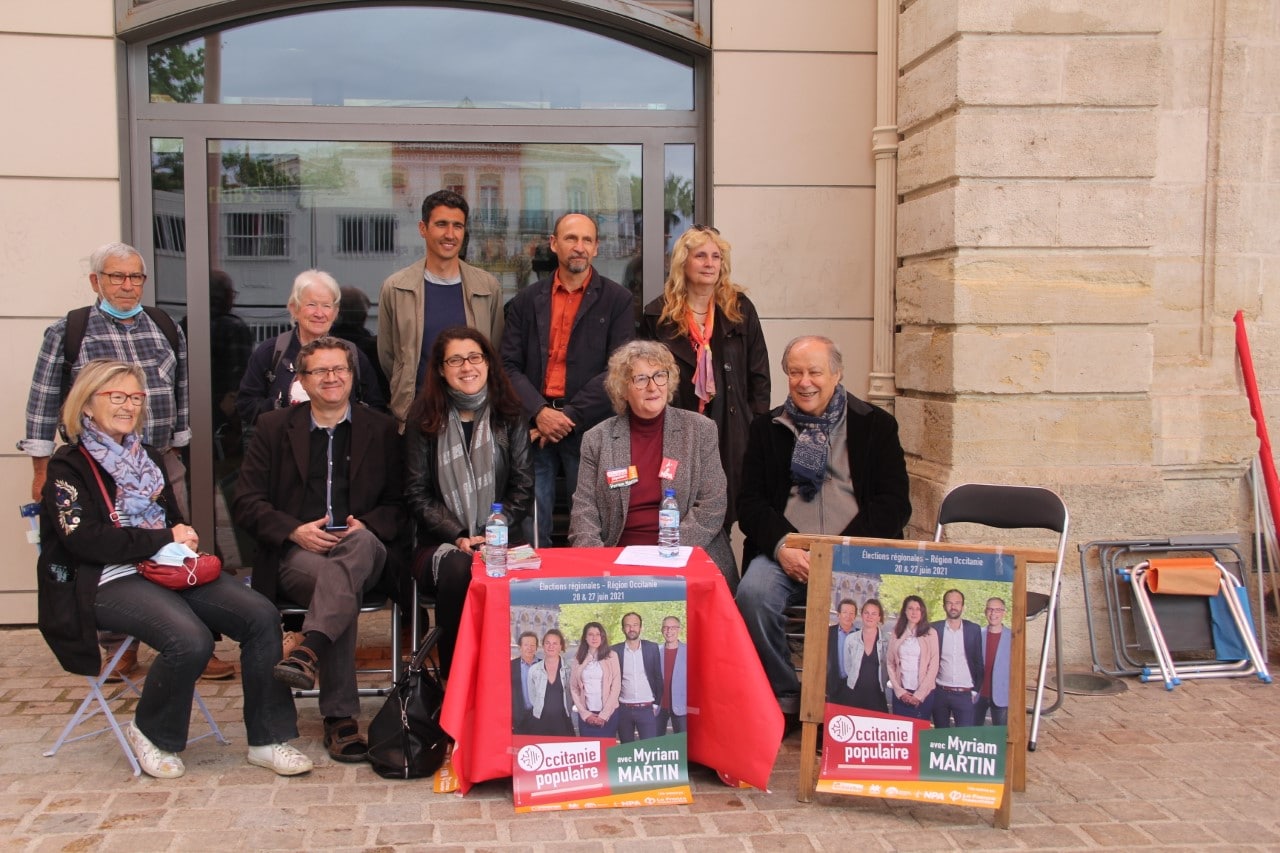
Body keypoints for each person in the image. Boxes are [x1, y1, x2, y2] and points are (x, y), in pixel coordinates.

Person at [35, 360, 311, 779]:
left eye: (135, 397)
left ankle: (268, 739)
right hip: (106, 579)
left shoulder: (147, 456)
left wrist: (183, 537)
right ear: (87, 405)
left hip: (164, 569)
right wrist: (164, 537)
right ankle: (153, 733)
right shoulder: (67, 466)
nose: (128, 406)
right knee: (189, 638)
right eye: (116, 396)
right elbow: (84, 540)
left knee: (260, 616)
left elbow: (171, 521)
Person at [21, 241, 233, 683]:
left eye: (136, 276)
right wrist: (42, 467)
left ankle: (198, 642)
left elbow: (182, 387)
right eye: (117, 276)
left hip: (154, 461)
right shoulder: (70, 331)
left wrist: (177, 445)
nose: (128, 285)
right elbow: (42, 399)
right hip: (99, 469)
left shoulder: (163, 326)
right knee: (114, 551)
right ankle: (121, 647)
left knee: (175, 546)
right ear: (96, 281)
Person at [232, 337, 405, 764]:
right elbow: (246, 502)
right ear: (303, 381)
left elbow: (402, 504)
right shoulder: (274, 428)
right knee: (335, 586)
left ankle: (308, 652)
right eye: (320, 371)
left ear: (352, 376)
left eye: (340, 370)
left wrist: (368, 524)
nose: (332, 378)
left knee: (358, 546)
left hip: (367, 554)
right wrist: (293, 531)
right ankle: (340, 719)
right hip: (299, 557)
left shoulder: (381, 429)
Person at [735, 335, 911, 714]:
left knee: (869, 610)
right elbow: (749, 503)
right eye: (795, 373)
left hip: (858, 554)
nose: (804, 382)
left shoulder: (875, 426)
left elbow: (895, 505)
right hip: (788, 553)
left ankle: (842, 704)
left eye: (815, 372)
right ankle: (786, 696)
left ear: (837, 373)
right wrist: (783, 545)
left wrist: (842, 553)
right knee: (752, 595)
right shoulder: (767, 427)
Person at [404, 326, 532, 677]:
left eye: (475, 357)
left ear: (488, 363)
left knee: (515, 576)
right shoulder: (423, 419)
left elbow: (522, 487)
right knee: (460, 569)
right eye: (455, 360)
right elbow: (417, 493)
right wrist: (458, 534)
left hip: (503, 539)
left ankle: (504, 680)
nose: (467, 367)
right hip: (441, 544)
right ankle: (456, 680)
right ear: (441, 370)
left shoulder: (511, 415)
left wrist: (494, 531)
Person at [501, 213, 636, 546]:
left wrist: (569, 416)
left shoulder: (618, 301)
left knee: (590, 524)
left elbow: (618, 369)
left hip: (590, 427)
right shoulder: (526, 301)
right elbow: (507, 365)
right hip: (534, 427)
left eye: (587, 240)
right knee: (532, 526)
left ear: (596, 247)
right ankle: (537, 594)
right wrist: (539, 412)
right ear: (553, 244)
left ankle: (586, 591)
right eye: (571, 239)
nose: (579, 247)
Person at [640, 225, 770, 544]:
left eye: (717, 256)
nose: (710, 263)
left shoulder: (739, 309)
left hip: (729, 429)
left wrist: (754, 425)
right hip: (677, 428)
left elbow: (759, 374)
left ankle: (716, 572)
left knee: (720, 509)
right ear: (684, 262)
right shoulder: (657, 314)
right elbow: (644, 377)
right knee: (674, 504)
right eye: (701, 256)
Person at [567, 340, 735, 584]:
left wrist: (665, 554)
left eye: (659, 376)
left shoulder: (699, 430)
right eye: (641, 379)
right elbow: (584, 511)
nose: (653, 387)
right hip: (618, 557)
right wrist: (599, 564)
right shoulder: (598, 439)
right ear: (623, 389)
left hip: (686, 555)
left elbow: (712, 506)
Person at [379, 190, 505, 427]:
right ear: (423, 229)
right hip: (417, 415)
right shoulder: (396, 288)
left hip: (474, 417)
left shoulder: (487, 287)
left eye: (457, 226)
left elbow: (493, 350)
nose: (450, 234)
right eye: (441, 224)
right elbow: (389, 357)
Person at [236, 270, 386, 429]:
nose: (319, 313)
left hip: (339, 448)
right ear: (294, 308)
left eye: (327, 306)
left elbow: (376, 408)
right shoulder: (271, 351)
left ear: (335, 313)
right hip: (284, 447)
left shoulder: (352, 354)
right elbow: (246, 405)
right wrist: (285, 406)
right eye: (311, 305)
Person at [931, 588, 984, 729]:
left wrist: (975, 690)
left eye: (957, 603)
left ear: (963, 606)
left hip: (965, 694)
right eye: (949, 603)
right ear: (944, 606)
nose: (953, 607)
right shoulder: (934, 629)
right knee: (940, 737)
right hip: (940, 692)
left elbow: (979, 662)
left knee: (964, 739)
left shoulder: (974, 629)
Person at [610, 612, 664, 743]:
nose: (631, 628)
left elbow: (658, 677)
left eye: (635, 625)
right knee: (627, 750)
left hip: (647, 709)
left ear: (641, 627)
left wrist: (656, 704)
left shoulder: (652, 648)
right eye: (627, 625)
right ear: (623, 628)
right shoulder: (615, 651)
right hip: (623, 710)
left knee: (648, 749)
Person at [886, 596, 939, 720]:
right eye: (910, 608)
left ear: (922, 612)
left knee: (919, 735)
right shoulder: (897, 632)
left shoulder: (931, 633)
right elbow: (890, 663)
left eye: (918, 609)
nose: (914, 612)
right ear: (905, 611)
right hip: (901, 693)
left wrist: (919, 695)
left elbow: (934, 665)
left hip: (923, 695)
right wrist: (900, 691)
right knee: (900, 735)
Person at [569, 621, 620, 738]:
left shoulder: (612, 656)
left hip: (609, 714)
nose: (594, 638)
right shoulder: (578, 658)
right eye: (590, 634)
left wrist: (604, 715)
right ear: (585, 638)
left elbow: (616, 687)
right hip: (587, 715)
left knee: (607, 753)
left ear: (602, 637)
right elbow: (573, 688)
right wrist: (585, 714)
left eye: (598, 634)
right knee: (589, 752)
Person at [843, 598, 892, 714]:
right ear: (862, 615)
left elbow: (890, 667)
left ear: (879, 617)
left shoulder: (887, 640)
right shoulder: (851, 639)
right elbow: (847, 667)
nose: (870, 616)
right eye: (866, 613)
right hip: (854, 693)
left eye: (874, 614)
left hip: (877, 695)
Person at [526, 629, 575, 737]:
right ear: (543, 645)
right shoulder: (533, 670)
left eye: (555, 643)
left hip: (563, 722)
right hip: (539, 722)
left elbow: (573, 694)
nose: (551, 646)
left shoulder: (570, 669)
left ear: (561, 646)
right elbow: (532, 697)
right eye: (547, 643)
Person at [976, 597, 1012, 725]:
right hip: (978, 695)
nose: (993, 613)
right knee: (973, 735)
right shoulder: (978, 635)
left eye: (997, 610)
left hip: (1001, 696)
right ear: (985, 612)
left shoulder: (1013, 637)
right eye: (990, 609)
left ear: (1004, 612)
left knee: (1000, 735)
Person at [656, 616, 688, 734]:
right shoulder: (655, 651)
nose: (669, 631)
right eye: (666, 627)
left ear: (679, 629)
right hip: (659, 707)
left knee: (682, 745)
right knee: (655, 746)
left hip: (682, 708)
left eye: (673, 627)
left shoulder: (689, 651)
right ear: (662, 630)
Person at [827, 599, 860, 706]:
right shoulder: (828, 632)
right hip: (833, 684)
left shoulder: (860, 635)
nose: (848, 616)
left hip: (855, 686)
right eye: (845, 612)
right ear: (838, 614)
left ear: (855, 616)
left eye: (851, 613)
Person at [511, 631, 540, 734]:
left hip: (540, 718)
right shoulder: (510, 666)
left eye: (533, 645)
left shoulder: (544, 666)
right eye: (526, 645)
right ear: (520, 647)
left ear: (536, 647)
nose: (530, 648)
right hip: (518, 718)